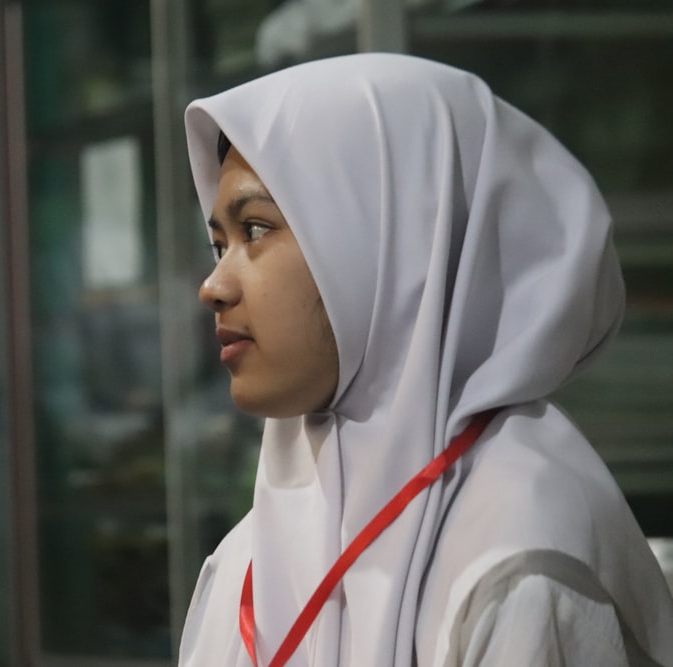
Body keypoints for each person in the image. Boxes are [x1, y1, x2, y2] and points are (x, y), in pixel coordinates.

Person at [178, 53, 673, 666]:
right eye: (218, 242)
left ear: (395, 243)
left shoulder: (522, 563)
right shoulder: (250, 559)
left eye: (256, 230)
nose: (213, 285)